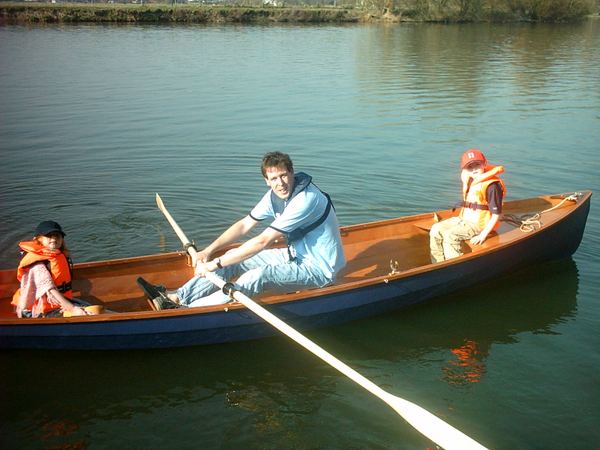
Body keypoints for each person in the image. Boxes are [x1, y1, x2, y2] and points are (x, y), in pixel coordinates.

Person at [139, 151, 346, 310]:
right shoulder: (275, 195)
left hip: (320, 270)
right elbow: (244, 225)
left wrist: (213, 265)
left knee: (258, 276)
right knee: (233, 257)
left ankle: (186, 310)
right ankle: (178, 297)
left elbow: (262, 241)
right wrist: (208, 251)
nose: (280, 183)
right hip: (294, 256)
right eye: (274, 179)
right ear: (267, 180)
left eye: (284, 176)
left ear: (292, 173)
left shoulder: (306, 199)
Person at [429, 149, 506, 263]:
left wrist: (482, 235)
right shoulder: (470, 179)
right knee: (436, 229)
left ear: (484, 164)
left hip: (479, 224)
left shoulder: (492, 186)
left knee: (451, 235)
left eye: (477, 165)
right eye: (470, 167)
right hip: (463, 219)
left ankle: (453, 266)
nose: (474, 169)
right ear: (465, 169)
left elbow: (496, 214)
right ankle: (438, 264)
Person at [12, 221, 99, 318]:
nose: (54, 238)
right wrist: (72, 309)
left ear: (62, 240)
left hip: (57, 303)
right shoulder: (37, 263)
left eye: (57, 236)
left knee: (94, 309)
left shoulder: (58, 256)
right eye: (49, 235)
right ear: (38, 240)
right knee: (91, 313)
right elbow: (50, 289)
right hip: (37, 310)